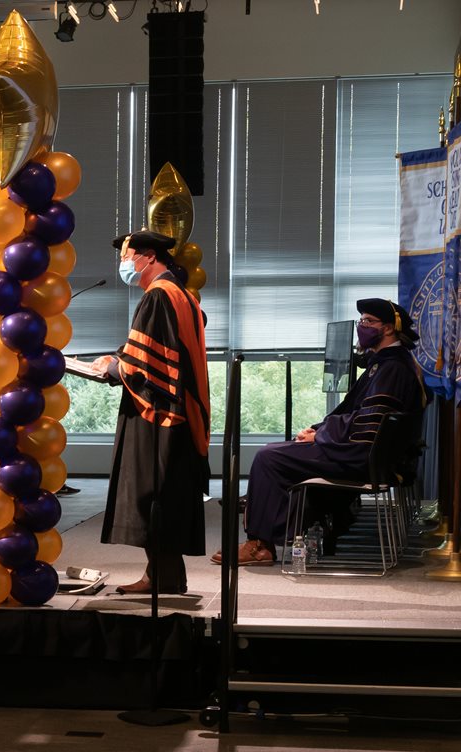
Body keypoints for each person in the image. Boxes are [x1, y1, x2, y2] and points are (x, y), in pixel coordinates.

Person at [221, 298, 428, 566]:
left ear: (388, 329)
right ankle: (278, 532)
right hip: (369, 454)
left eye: (368, 321)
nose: (361, 327)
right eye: (361, 321)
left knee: (268, 457)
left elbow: (370, 423)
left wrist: (321, 435)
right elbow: (353, 413)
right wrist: (319, 429)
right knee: (277, 454)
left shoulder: (393, 368)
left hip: (363, 457)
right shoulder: (388, 363)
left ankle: (260, 545)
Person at [93, 230, 211, 594]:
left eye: (127, 257)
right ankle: (164, 577)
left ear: (148, 257)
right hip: (178, 410)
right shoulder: (180, 294)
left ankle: (162, 577)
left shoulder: (160, 295)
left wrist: (112, 369)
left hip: (157, 414)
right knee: (165, 495)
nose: (125, 265)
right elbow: (154, 348)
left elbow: (146, 363)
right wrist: (119, 359)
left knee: (153, 495)